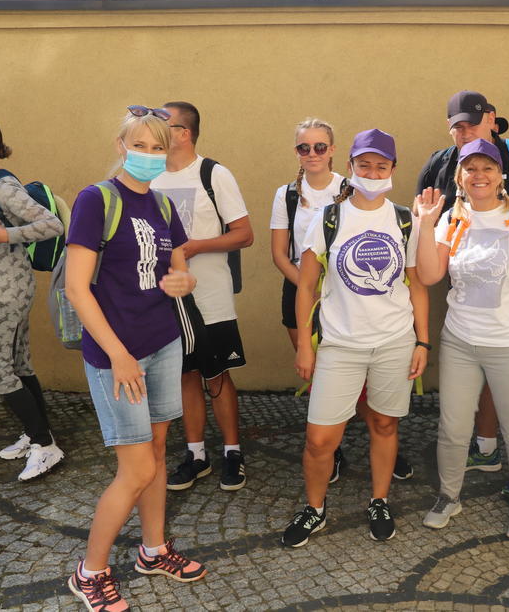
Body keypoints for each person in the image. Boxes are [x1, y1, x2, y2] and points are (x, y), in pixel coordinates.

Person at [65, 106, 205, 610]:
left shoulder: (162, 206)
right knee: (136, 469)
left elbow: (179, 268)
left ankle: (153, 549)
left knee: (157, 453)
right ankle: (89, 572)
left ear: (169, 151)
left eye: (157, 147)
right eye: (139, 145)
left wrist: (183, 281)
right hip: (117, 354)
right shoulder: (97, 199)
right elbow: (77, 289)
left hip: (162, 342)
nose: (148, 154)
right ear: (121, 146)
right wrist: (119, 355)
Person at [415, 90, 509, 485]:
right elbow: (423, 229)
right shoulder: (438, 164)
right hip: (463, 297)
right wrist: (459, 241)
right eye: (458, 127)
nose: (466, 132)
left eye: (473, 123)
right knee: (478, 380)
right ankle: (485, 450)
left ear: (492, 118)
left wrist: (507, 236)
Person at [283, 129, 429, 547]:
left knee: (384, 423)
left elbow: (417, 286)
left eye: (381, 166)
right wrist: (304, 344)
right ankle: (315, 509)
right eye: (364, 165)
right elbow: (305, 287)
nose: (372, 172)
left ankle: (379, 500)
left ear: (393, 169)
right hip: (339, 345)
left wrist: (422, 341)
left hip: (394, 341)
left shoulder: (405, 219)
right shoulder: (328, 218)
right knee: (319, 440)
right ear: (350, 167)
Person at [270, 118, 413, 484]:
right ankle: (331, 450)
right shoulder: (287, 195)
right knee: (322, 378)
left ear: (333, 151)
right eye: (304, 147)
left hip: (350, 297)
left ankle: (381, 439)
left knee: (366, 385)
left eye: (320, 146)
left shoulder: (351, 188)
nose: (312, 153)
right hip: (306, 294)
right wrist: (314, 288)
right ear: (296, 152)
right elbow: (281, 254)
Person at [153, 101, 254, 494]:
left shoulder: (213, 174)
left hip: (211, 297)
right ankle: (196, 455)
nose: (155, 130)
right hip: (168, 300)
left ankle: (232, 452)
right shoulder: (151, 175)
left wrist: (195, 246)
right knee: (185, 375)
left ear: (184, 133)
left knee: (217, 375)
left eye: (164, 124)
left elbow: (244, 234)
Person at [0, 114, 65, 481]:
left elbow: (52, 224)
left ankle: (44, 446)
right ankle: (38, 435)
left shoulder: (1, 186)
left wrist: (7, 236)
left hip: (5, 292)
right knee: (18, 364)